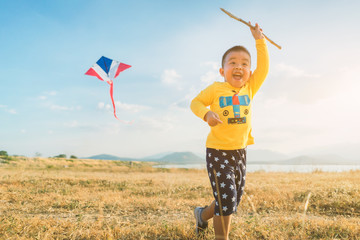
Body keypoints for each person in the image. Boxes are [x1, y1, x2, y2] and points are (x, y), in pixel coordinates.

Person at [190, 22, 269, 240]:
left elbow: (264, 68)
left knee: (230, 200)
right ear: (222, 70)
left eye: (244, 63)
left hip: (240, 152)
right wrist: (206, 114)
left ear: (249, 72)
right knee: (226, 199)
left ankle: (200, 215)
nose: (238, 66)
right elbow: (195, 102)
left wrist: (259, 40)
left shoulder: (250, 88)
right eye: (232, 62)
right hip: (217, 151)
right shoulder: (216, 89)